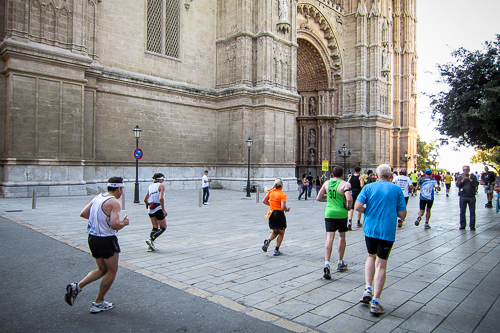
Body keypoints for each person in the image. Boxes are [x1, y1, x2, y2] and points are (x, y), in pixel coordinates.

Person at [65, 177, 129, 313]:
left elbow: (84, 213)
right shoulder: (114, 202)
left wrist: (99, 220)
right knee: (112, 271)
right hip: (106, 240)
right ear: (119, 188)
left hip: (92, 238)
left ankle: (77, 286)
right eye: (122, 189)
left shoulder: (98, 197)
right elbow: (115, 224)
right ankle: (98, 303)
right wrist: (124, 223)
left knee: (102, 269)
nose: (122, 192)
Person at [355, 164, 406, 315]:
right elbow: (403, 215)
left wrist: (367, 211)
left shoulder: (368, 187)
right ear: (391, 176)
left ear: (376, 175)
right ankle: (376, 302)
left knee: (371, 256)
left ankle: (367, 289)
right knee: (382, 264)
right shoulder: (396, 189)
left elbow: (357, 206)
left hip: (370, 229)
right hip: (386, 230)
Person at [316, 166, 353, 279]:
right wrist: (348, 207)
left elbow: (318, 198)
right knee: (341, 237)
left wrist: (329, 200)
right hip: (341, 214)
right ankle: (340, 262)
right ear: (342, 175)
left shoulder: (327, 183)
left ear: (332, 174)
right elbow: (349, 199)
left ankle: (327, 263)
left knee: (329, 238)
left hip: (329, 213)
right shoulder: (345, 184)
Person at [262, 178, 290, 256]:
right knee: (281, 232)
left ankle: (268, 240)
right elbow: (282, 206)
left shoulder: (270, 192)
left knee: (275, 231)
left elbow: (264, 201)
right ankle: (276, 249)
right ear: (281, 186)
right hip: (279, 214)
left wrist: (271, 205)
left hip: (271, 213)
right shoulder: (283, 195)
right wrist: (287, 209)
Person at [144, 173, 168, 252]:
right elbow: (161, 198)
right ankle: (151, 239)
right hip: (158, 208)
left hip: (150, 208)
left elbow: (145, 199)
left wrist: (148, 205)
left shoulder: (150, 186)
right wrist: (163, 210)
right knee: (163, 227)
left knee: (155, 227)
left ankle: (150, 246)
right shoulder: (161, 186)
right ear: (161, 179)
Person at [457, 165, 479, 230]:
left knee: (472, 211)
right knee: (462, 211)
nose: (465, 171)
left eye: (466, 170)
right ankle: (462, 224)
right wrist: (462, 180)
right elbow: (458, 185)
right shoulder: (460, 177)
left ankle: (472, 225)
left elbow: (476, 184)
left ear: (469, 170)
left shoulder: (473, 177)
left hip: (471, 196)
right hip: (463, 196)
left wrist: (471, 180)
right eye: (464, 170)